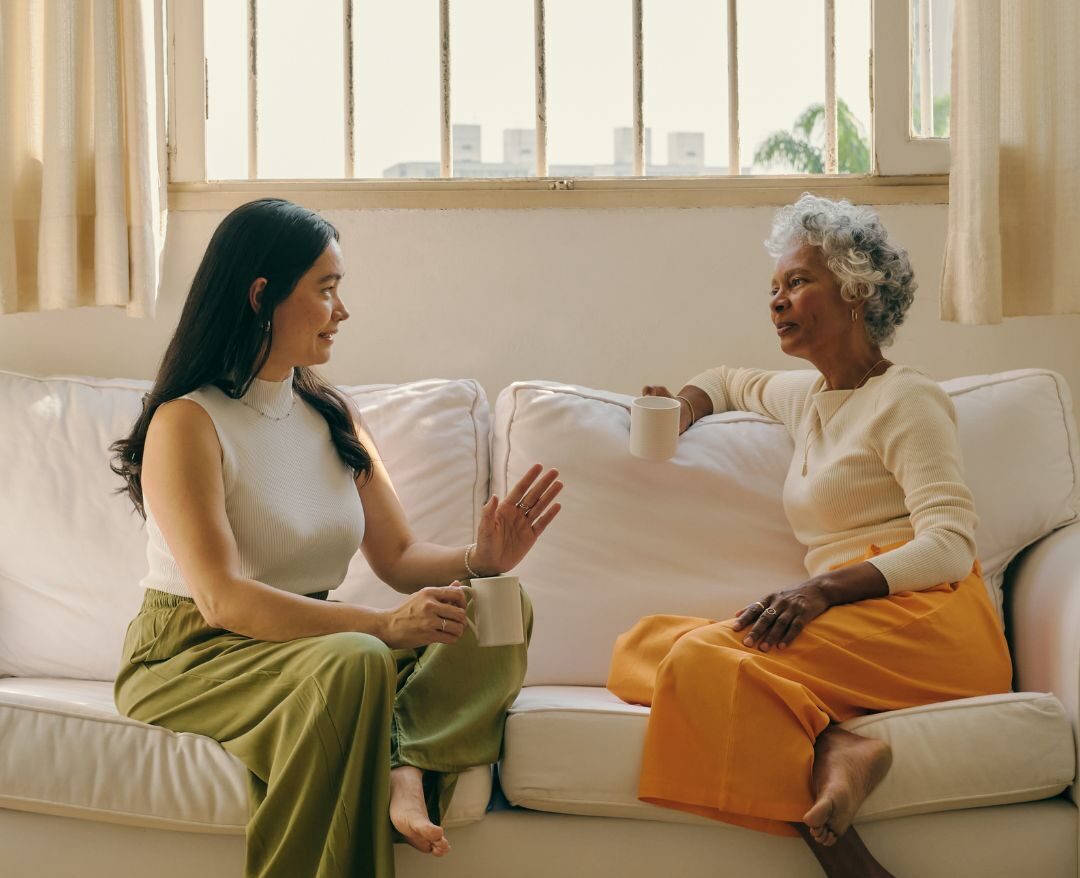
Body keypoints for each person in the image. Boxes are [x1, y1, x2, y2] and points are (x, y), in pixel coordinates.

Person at [110, 198, 563, 878]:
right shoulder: (187, 422)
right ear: (263, 296)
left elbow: (401, 558)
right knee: (356, 660)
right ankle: (394, 764)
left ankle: (402, 765)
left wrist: (481, 561)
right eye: (326, 290)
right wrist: (383, 627)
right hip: (193, 652)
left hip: (315, 645)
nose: (342, 311)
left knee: (500, 610)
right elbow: (224, 600)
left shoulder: (331, 415)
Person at [608, 193, 1011, 878]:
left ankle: (844, 860)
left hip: (930, 619)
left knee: (702, 661)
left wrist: (820, 590)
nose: (778, 300)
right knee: (639, 647)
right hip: (853, 619)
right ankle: (835, 746)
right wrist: (682, 409)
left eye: (798, 282)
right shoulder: (809, 395)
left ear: (856, 291)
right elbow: (726, 380)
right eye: (774, 288)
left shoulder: (907, 399)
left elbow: (949, 544)